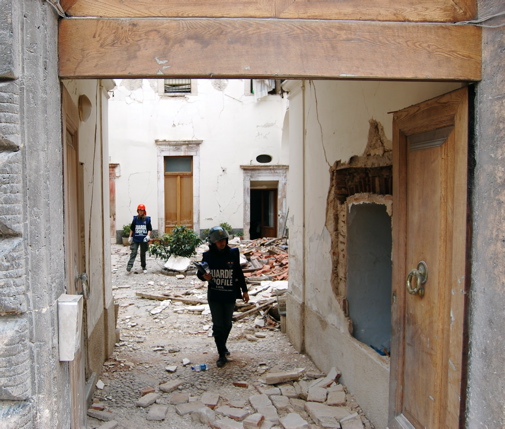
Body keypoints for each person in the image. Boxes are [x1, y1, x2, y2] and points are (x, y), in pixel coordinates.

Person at [197, 226, 249, 367]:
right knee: (218, 325)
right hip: (215, 295)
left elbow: (238, 273)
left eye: (224, 240)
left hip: (229, 294)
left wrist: (244, 291)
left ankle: (222, 345)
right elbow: (200, 272)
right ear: (213, 242)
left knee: (227, 324)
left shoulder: (233, 253)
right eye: (218, 241)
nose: (222, 243)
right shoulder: (208, 256)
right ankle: (221, 354)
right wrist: (204, 276)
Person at [126, 204, 152, 274]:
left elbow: (149, 229)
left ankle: (143, 266)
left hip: (144, 239)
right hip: (136, 238)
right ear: (137, 211)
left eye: (142, 210)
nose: (141, 212)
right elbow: (132, 228)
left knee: (143, 253)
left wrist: (148, 236)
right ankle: (129, 266)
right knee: (133, 252)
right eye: (139, 210)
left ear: (144, 211)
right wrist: (130, 236)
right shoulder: (135, 219)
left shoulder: (147, 219)